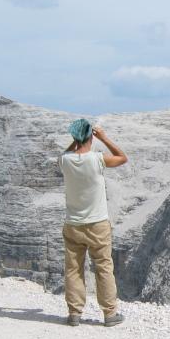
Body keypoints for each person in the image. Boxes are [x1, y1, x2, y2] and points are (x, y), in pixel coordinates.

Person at [57, 119, 128, 327]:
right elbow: (122, 158)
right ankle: (109, 314)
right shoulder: (97, 159)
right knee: (104, 266)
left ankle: (74, 313)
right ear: (91, 137)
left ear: (74, 137)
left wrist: (75, 142)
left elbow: (66, 154)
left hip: (73, 224)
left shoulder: (64, 160)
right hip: (97, 223)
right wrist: (103, 138)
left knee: (73, 269)